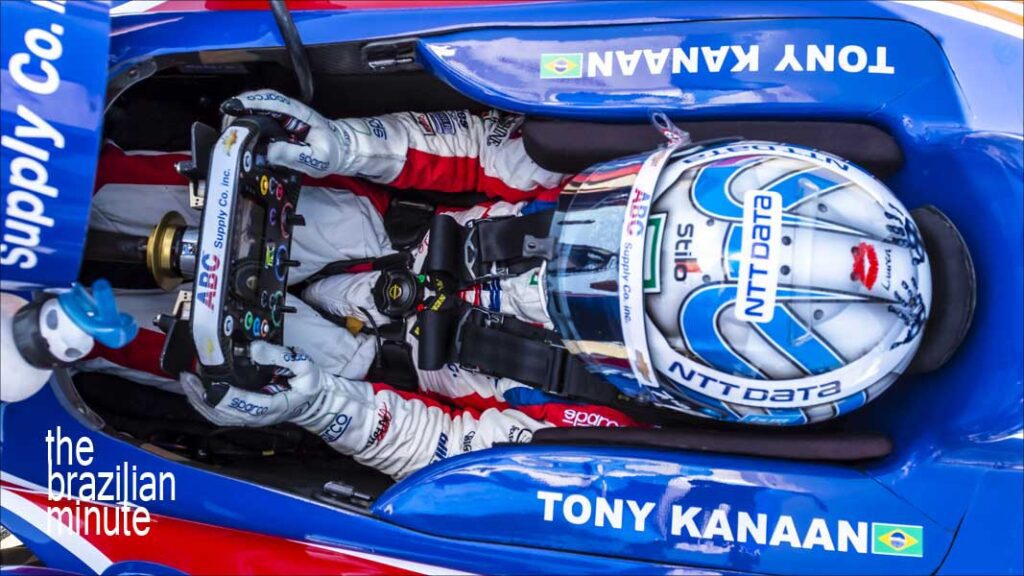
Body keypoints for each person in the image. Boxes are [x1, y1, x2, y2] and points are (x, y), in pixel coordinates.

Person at [79, 90, 638, 479]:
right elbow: (484, 149)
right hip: (362, 225)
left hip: (351, 363)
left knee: (98, 336)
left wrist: (324, 407)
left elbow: (452, 451)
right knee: (93, 189)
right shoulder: (624, 169)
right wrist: (348, 144)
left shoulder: (603, 417)